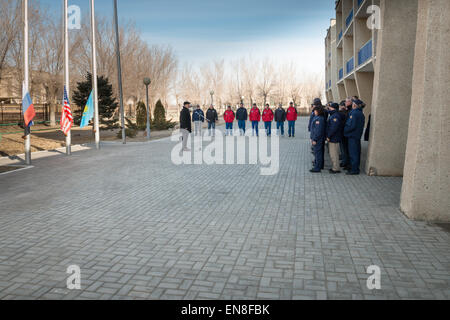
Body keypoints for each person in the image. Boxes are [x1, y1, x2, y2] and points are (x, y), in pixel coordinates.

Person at [344, 99, 366, 175]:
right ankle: (355, 168)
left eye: (353, 104)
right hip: (356, 136)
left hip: (352, 136)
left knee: (353, 153)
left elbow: (351, 125)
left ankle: (354, 169)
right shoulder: (360, 113)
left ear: (354, 105)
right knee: (356, 152)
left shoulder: (354, 113)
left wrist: (345, 131)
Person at [326, 103, 344, 174]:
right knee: (333, 153)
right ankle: (335, 167)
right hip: (334, 137)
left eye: (330, 107)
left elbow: (333, 128)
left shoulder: (335, 116)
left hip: (334, 138)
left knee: (334, 154)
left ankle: (336, 168)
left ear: (334, 108)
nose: (329, 108)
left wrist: (328, 136)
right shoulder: (333, 115)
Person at [310, 106, 326, 173]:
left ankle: (317, 167)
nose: (314, 112)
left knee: (318, 153)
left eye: (315, 111)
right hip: (318, 138)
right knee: (319, 153)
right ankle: (319, 165)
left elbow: (318, 131)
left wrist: (314, 139)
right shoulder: (318, 118)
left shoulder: (319, 119)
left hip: (318, 139)